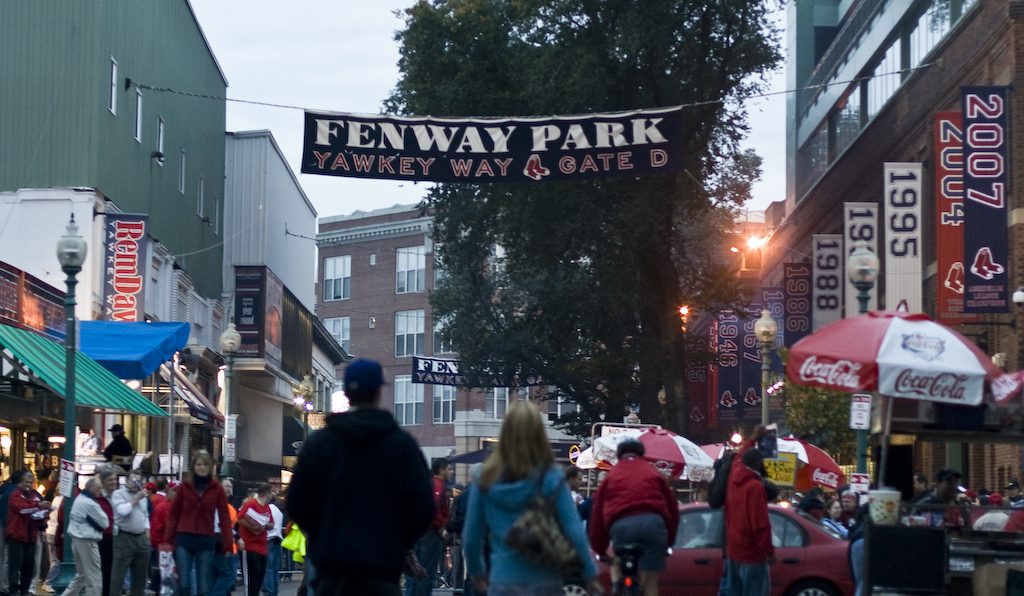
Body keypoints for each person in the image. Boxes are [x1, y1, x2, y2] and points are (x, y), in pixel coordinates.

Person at [288, 358, 435, 596]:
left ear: (346, 393)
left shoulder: (320, 444)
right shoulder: (401, 445)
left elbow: (297, 503)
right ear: (379, 392)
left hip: (332, 571)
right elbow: (423, 507)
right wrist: (398, 541)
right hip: (383, 568)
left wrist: (324, 536)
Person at [463, 400, 599, 596]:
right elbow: (574, 529)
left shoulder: (485, 478)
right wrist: (590, 571)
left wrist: (477, 573)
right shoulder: (551, 476)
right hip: (545, 580)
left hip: (502, 580)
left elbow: (471, 538)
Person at [589, 439, 679, 596]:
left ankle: (618, 585)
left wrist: (600, 549)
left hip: (621, 526)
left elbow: (597, 515)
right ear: (642, 454)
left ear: (619, 455)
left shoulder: (612, 476)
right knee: (650, 584)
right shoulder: (654, 474)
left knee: (617, 558)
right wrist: (668, 542)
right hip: (653, 524)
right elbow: (673, 511)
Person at [161, 451, 233, 596]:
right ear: (193, 466)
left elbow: (225, 518)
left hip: (205, 540)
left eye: (205, 464)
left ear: (210, 467)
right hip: (184, 539)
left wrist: (228, 543)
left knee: (204, 588)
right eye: (199, 464)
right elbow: (174, 514)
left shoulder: (217, 489)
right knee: (184, 584)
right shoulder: (184, 487)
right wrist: (167, 539)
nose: (202, 467)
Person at [722, 448, 774, 596]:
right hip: (752, 554)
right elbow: (760, 524)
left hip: (733, 550)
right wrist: (769, 552)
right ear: (758, 463)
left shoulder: (733, 481)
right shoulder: (755, 487)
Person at [406, 458, 452, 596]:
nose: (451, 472)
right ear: (441, 469)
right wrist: (440, 527)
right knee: (427, 571)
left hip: (416, 531)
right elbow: (435, 508)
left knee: (413, 570)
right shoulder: (438, 486)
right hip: (430, 532)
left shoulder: (424, 484)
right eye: (449, 469)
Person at [61, 478, 110, 596]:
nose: (100, 491)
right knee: (94, 577)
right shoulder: (90, 503)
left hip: (77, 540)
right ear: (91, 488)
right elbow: (105, 523)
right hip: (87, 541)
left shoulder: (79, 499)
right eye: (98, 488)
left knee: (82, 575)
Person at [7, 470, 52, 596]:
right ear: (20, 483)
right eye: (26, 482)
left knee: (28, 565)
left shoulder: (35, 495)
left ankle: (25, 590)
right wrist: (40, 506)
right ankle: (14, 591)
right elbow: (23, 509)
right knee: (15, 565)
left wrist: (45, 513)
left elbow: (36, 511)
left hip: (31, 536)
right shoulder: (15, 495)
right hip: (16, 535)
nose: (29, 485)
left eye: (31, 482)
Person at [110, 470, 151, 596]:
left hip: (141, 538)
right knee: (118, 575)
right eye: (132, 481)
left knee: (140, 577)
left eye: (138, 481)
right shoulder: (118, 494)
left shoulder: (142, 497)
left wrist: (147, 535)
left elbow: (145, 515)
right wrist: (136, 499)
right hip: (124, 537)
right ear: (126, 481)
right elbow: (122, 511)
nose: (135, 484)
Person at [238, 484, 274, 596]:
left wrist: (265, 525)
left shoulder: (267, 508)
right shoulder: (251, 504)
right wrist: (253, 527)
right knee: (251, 577)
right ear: (266, 493)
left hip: (262, 546)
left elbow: (272, 523)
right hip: (250, 545)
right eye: (271, 492)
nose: (272, 495)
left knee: (260, 576)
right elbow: (239, 518)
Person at [209, 478, 239, 596]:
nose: (228, 489)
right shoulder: (217, 504)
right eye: (226, 486)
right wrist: (237, 537)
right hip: (219, 543)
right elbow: (222, 525)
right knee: (229, 575)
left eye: (230, 487)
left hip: (226, 544)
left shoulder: (228, 507)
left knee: (218, 575)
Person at [93, 467, 118, 596]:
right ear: (103, 482)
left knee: (113, 570)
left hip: (116, 538)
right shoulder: (98, 497)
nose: (114, 482)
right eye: (110, 480)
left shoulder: (118, 496)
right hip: (102, 538)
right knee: (103, 570)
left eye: (115, 479)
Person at [261, 491, 284, 596]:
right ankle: (274, 591)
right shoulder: (278, 511)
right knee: (274, 568)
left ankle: (268, 592)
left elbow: (263, 523)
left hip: (268, 539)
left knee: (267, 568)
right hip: (277, 539)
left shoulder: (266, 509)